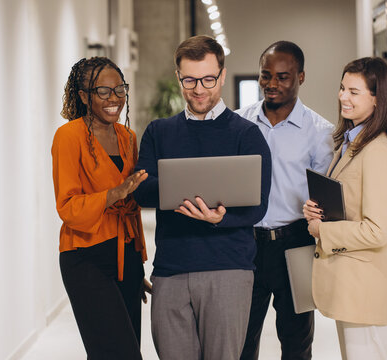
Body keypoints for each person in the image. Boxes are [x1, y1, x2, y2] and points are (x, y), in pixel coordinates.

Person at [133, 35, 272, 360]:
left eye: (208, 79)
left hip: (229, 270)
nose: (199, 88)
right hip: (171, 271)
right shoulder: (159, 132)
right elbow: (140, 190)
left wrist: (221, 218)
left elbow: (258, 204)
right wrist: (177, 185)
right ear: (178, 77)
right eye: (190, 80)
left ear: (222, 75)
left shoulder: (246, 134)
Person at [303, 57, 387, 360]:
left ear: (378, 100)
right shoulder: (353, 143)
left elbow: (377, 231)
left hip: (363, 291)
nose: (342, 97)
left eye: (354, 92)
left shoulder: (377, 151)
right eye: (342, 89)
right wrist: (316, 210)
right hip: (351, 287)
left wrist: (322, 230)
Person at [236, 41, 334, 360]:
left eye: (282, 76)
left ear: (301, 77)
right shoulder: (240, 124)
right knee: (240, 339)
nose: (272, 84)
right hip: (247, 244)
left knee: (296, 342)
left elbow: (323, 201)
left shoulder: (320, 133)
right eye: (266, 76)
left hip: (297, 243)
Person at [52, 57, 150, 359]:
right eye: (103, 91)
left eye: (119, 89)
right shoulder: (69, 136)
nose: (114, 98)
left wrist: (137, 267)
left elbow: (131, 203)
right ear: (83, 96)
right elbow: (67, 207)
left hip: (127, 255)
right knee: (116, 353)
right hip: (86, 258)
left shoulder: (127, 137)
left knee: (131, 346)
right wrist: (114, 193)